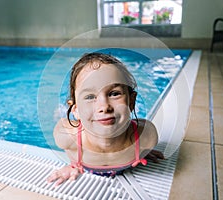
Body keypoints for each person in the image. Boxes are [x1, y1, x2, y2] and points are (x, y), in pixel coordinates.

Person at [47, 52, 164, 186]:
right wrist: (73, 165)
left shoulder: (146, 137)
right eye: (90, 96)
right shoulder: (67, 137)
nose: (104, 107)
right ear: (76, 110)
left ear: (131, 102)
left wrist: (142, 151)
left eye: (114, 94)